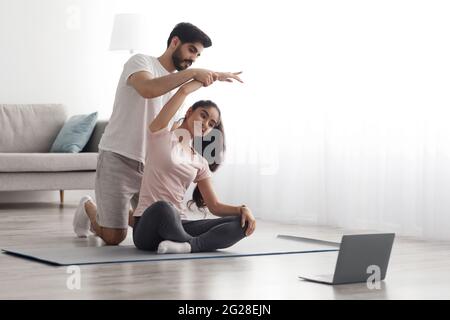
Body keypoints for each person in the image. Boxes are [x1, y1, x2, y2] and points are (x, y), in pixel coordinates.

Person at [72, 22, 242, 245]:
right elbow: (148, 89)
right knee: (114, 237)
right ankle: (88, 207)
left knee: (156, 220)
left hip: (149, 165)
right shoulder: (141, 62)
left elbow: (168, 132)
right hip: (118, 157)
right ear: (174, 42)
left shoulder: (179, 91)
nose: (193, 58)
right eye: (191, 50)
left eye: (198, 56)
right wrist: (193, 74)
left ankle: (121, 216)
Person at [132, 79, 256, 254]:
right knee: (164, 208)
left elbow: (215, 206)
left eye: (212, 123)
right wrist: (206, 77)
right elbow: (182, 91)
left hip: (180, 224)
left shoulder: (200, 162)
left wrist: (242, 209)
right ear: (189, 112)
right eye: (203, 116)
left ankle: (187, 246)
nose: (206, 124)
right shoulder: (160, 135)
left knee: (241, 223)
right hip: (149, 226)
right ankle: (194, 244)